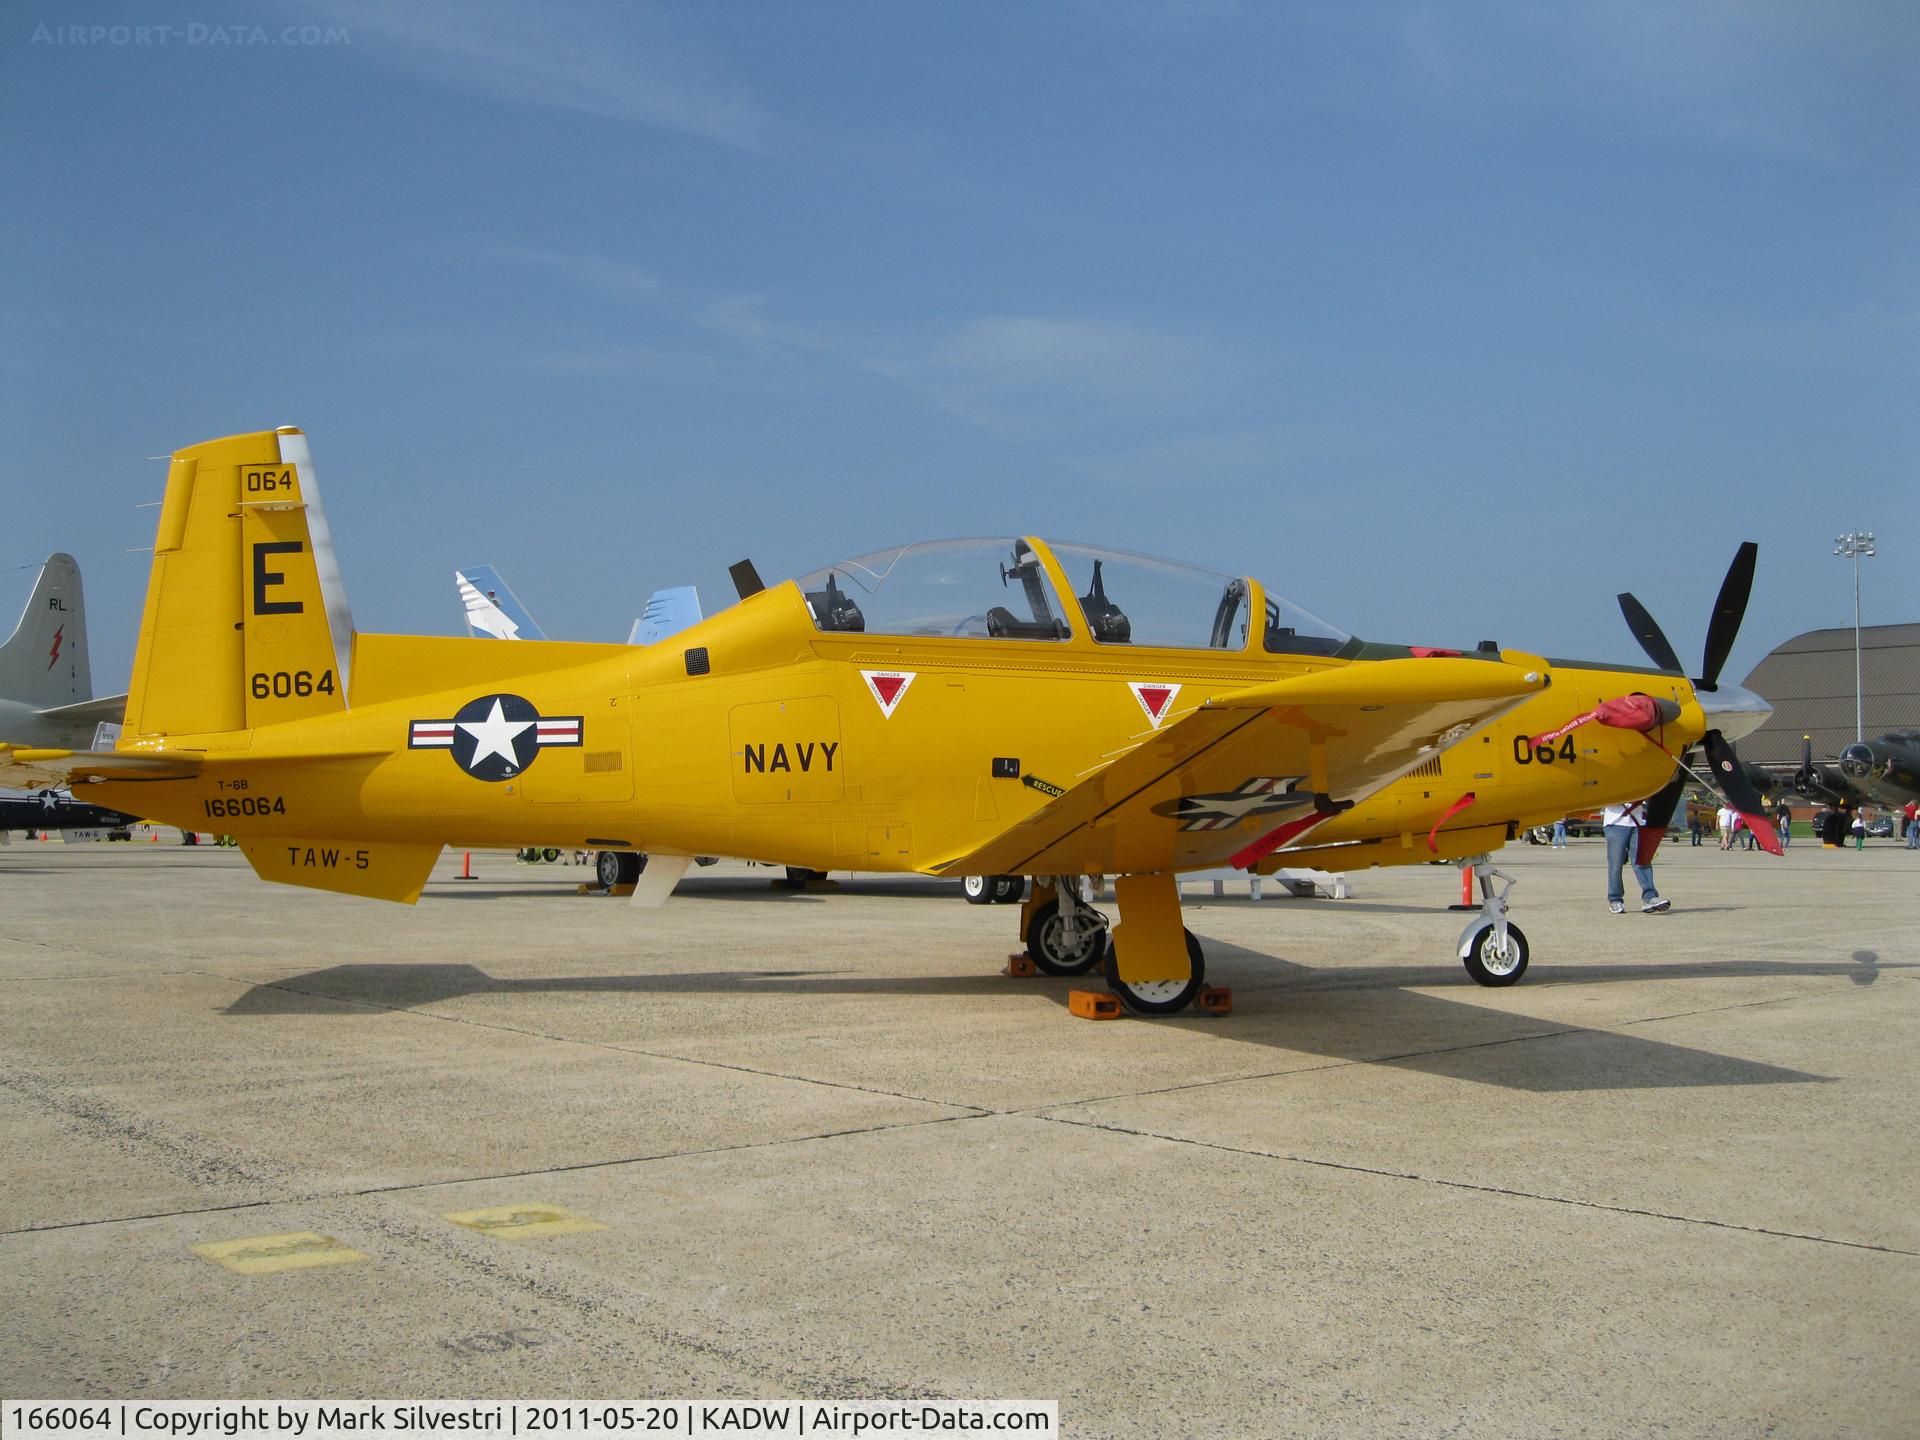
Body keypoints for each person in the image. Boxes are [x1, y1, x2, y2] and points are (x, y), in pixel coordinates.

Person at [1603, 795, 1670, 914]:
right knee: (1616, 864)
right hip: (1615, 824)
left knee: (1642, 861)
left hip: (1638, 823)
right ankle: (1615, 899)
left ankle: (1650, 897)